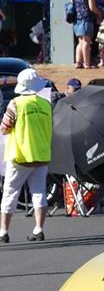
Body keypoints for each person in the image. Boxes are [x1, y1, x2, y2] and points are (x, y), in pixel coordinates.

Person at [0, 68, 53, 242]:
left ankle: (3, 232)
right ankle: (38, 229)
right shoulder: (46, 104)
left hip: (20, 155)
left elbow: (5, 127)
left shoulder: (16, 104)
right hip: (42, 154)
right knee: (39, 193)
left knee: (10, 192)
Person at [72, 0, 101, 69]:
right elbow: (92, 7)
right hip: (86, 19)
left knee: (80, 41)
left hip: (77, 19)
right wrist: (99, 13)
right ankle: (87, 63)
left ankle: (78, 62)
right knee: (86, 41)